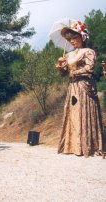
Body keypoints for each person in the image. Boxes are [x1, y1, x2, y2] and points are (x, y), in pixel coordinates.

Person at [56, 20, 105, 157]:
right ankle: (72, 145)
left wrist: (74, 72)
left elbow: (90, 68)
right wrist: (61, 67)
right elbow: (63, 74)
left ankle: (88, 146)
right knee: (74, 113)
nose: (72, 41)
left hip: (85, 86)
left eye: (75, 38)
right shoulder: (68, 55)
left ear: (82, 37)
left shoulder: (88, 51)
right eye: (70, 39)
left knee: (84, 111)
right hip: (73, 87)